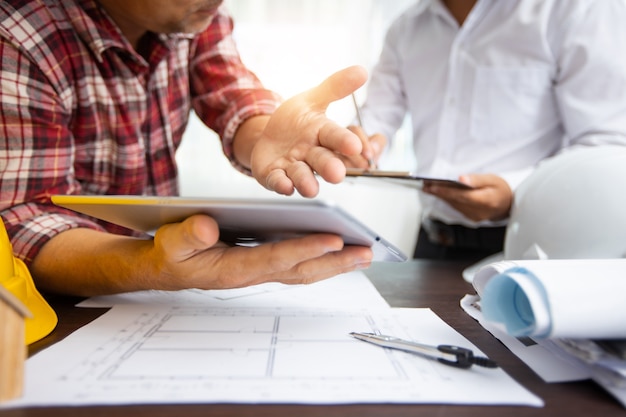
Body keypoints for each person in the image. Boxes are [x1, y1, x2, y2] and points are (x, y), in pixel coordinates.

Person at [0, 0, 379, 297]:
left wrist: (266, 133)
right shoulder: (19, 34)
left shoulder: (195, 12)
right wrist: (152, 266)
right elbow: (21, 224)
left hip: (159, 285)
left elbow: (229, 91)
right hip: (56, 306)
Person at [350, 0, 626, 262]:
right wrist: (356, 145)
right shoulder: (405, 27)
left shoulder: (573, 10)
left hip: (530, 247)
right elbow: (377, 117)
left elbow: (606, 145)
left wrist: (516, 192)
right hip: (432, 244)